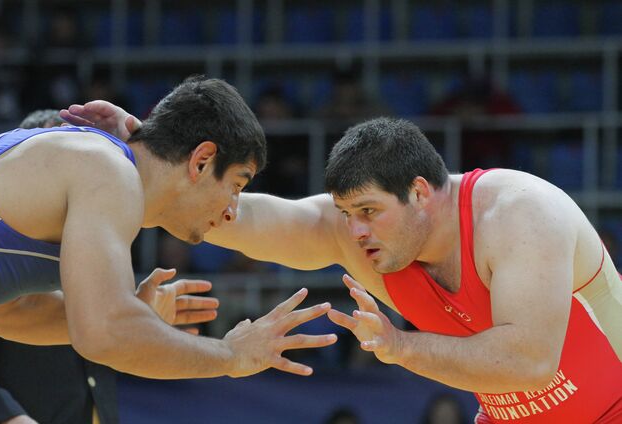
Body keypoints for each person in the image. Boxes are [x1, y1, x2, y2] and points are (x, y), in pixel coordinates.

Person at [71, 105, 621, 423]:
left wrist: (400, 346)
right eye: (345, 213)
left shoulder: (521, 213)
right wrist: (156, 165)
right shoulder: (369, 239)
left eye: (368, 212)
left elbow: (529, 362)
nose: (356, 231)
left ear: (421, 192)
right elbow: (250, 218)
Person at [0, 76, 337, 386]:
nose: (231, 212)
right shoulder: (107, 169)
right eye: (237, 186)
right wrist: (230, 354)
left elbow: (12, 310)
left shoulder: (101, 169)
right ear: (203, 160)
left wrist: (138, 320)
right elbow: (105, 333)